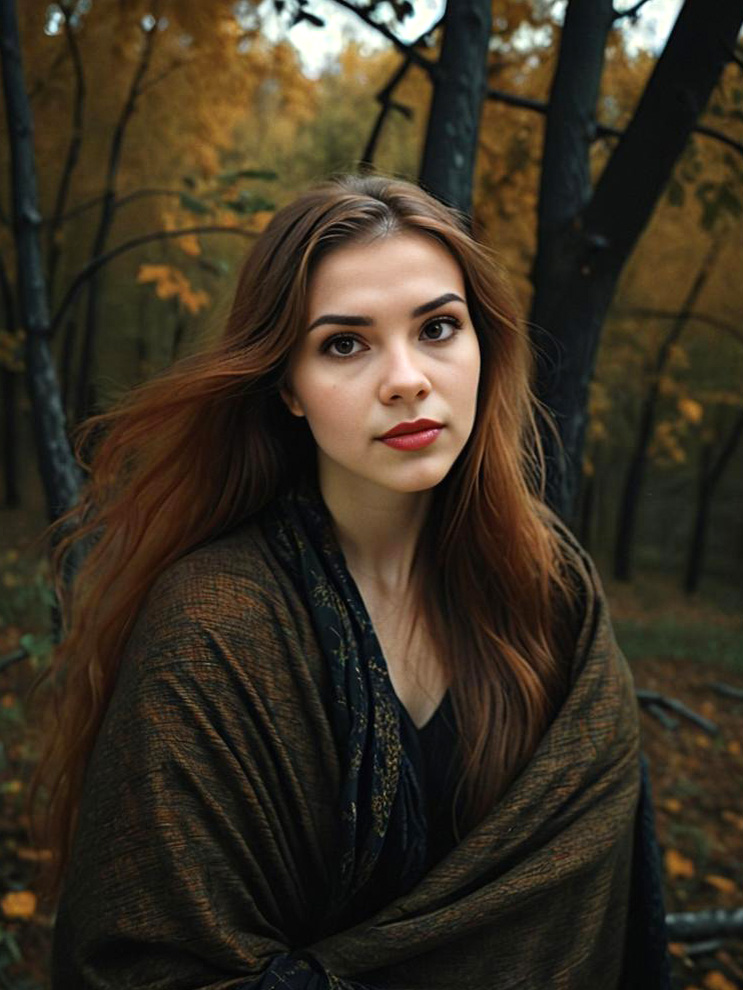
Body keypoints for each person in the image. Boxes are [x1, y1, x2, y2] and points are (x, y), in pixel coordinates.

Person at [31, 173, 671, 988]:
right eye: (344, 343)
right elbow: (142, 960)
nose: (405, 378)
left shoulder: (552, 592)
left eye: (438, 327)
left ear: (484, 346)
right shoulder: (213, 623)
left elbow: (605, 910)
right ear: (287, 389)